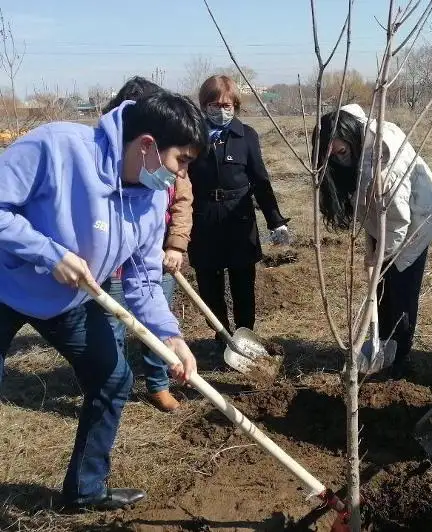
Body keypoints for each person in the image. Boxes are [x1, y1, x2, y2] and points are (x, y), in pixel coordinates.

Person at [0, 91, 205, 510]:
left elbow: (145, 279)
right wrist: (48, 253)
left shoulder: (151, 199)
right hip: (4, 283)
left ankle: (85, 490)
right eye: (181, 160)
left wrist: (170, 336)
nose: (182, 173)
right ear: (147, 145)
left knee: (113, 379)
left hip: (69, 301)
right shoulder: (56, 147)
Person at [313, 103, 432, 378]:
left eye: (341, 152)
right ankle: (382, 343)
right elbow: (371, 208)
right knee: (382, 289)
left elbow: (398, 222)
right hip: (388, 220)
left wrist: (381, 256)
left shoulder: (384, 163)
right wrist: (372, 248)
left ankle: (399, 360)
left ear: (352, 138)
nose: (339, 159)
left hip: (416, 221)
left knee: (401, 290)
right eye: (332, 155)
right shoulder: (356, 141)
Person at [100, 76, 194, 412]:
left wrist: (176, 245)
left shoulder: (171, 165)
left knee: (157, 322)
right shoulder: (98, 166)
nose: (181, 170)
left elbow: (182, 204)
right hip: (108, 268)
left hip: (152, 257)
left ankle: (157, 384)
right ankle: (114, 387)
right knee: (111, 328)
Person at [188, 75, 290, 350]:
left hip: (239, 220)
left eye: (226, 105)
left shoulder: (246, 136)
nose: (220, 110)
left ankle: (246, 337)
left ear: (235, 105)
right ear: (204, 106)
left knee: (243, 283)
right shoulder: (192, 137)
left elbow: (260, 180)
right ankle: (221, 336)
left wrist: (275, 221)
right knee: (209, 284)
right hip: (203, 220)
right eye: (214, 104)